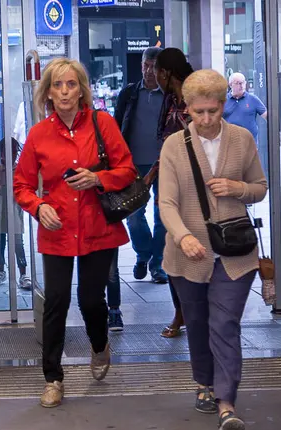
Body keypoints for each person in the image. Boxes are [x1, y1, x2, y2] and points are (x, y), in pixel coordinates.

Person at [13, 58, 137, 409]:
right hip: (58, 228)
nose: (65, 92)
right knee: (56, 302)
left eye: (71, 84)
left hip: (98, 227)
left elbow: (127, 169)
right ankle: (53, 378)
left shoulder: (103, 123)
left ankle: (99, 346)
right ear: (47, 92)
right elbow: (21, 184)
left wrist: (100, 178)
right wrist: (39, 207)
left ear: (82, 89)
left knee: (90, 300)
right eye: (57, 85)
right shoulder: (38, 134)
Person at [159, 69, 267, 430]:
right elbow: (167, 203)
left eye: (213, 111)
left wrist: (237, 187)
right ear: (187, 108)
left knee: (224, 323)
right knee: (199, 322)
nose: (206, 119)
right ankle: (204, 382)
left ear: (223, 105)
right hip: (187, 255)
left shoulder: (242, 139)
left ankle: (226, 403)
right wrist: (182, 236)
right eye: (198, 112)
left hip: (235, 254)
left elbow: (260, 187)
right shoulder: (174, 146)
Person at [107, 46, 165, 332]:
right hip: (133, 167)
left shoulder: (171, 96)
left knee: (164, 217)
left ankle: (156, 264)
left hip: (165, 164)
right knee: (134, 216)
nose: (147, 70)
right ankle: (144, 253)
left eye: (153, 66)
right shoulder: (129, 94)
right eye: (144, 65)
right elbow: (117, 129)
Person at [154, 47, 195, 339]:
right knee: (173, 252)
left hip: (196, 189)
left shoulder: (196, 99)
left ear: (167, 73)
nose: (154, 76)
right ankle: (181, 313)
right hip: (171, 186)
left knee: (196, 252)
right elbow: (167, 143)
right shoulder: (170, 100)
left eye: (157, 71)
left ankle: (194, 313)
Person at [0, 137, 30, 289]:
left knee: (17, 243)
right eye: (9, 152)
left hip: (14, 211)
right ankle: (0, 270)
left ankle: (23, 274)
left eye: (15, 151)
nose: (13, 155)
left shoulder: (19, 170)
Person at [223, 72, 268, 178]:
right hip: (230, 145)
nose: (242, 85)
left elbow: (267, 116)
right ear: (230, 85)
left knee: (249, 175)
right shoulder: (223, 101)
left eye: (243, 82)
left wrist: (279, 129)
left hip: (249, 145)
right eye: (238, 83)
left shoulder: (253, 99)